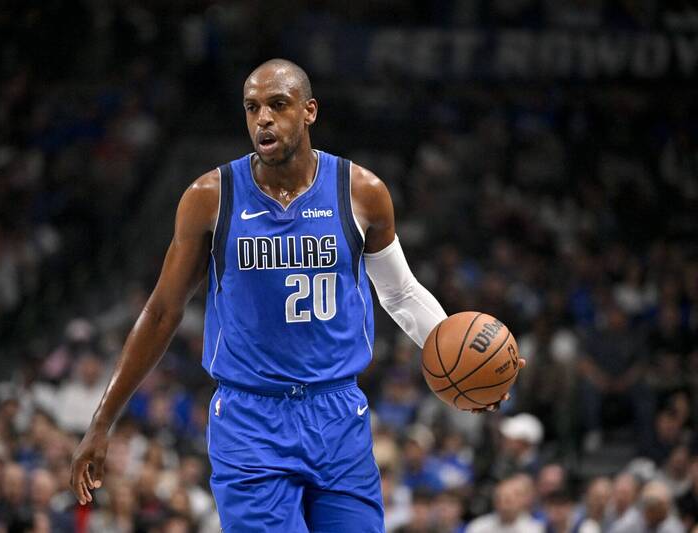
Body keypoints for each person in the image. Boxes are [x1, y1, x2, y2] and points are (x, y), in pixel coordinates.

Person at [70, 58, 524, 532]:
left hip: (337, 415)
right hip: (250, 420)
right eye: (252, 108)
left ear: (309, 111)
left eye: (278, 105)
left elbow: (401, 293)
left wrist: (471, 366)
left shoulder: (361, 191)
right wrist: (103, 420)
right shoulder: (210, 197)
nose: (263, 118)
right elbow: (163, 311)